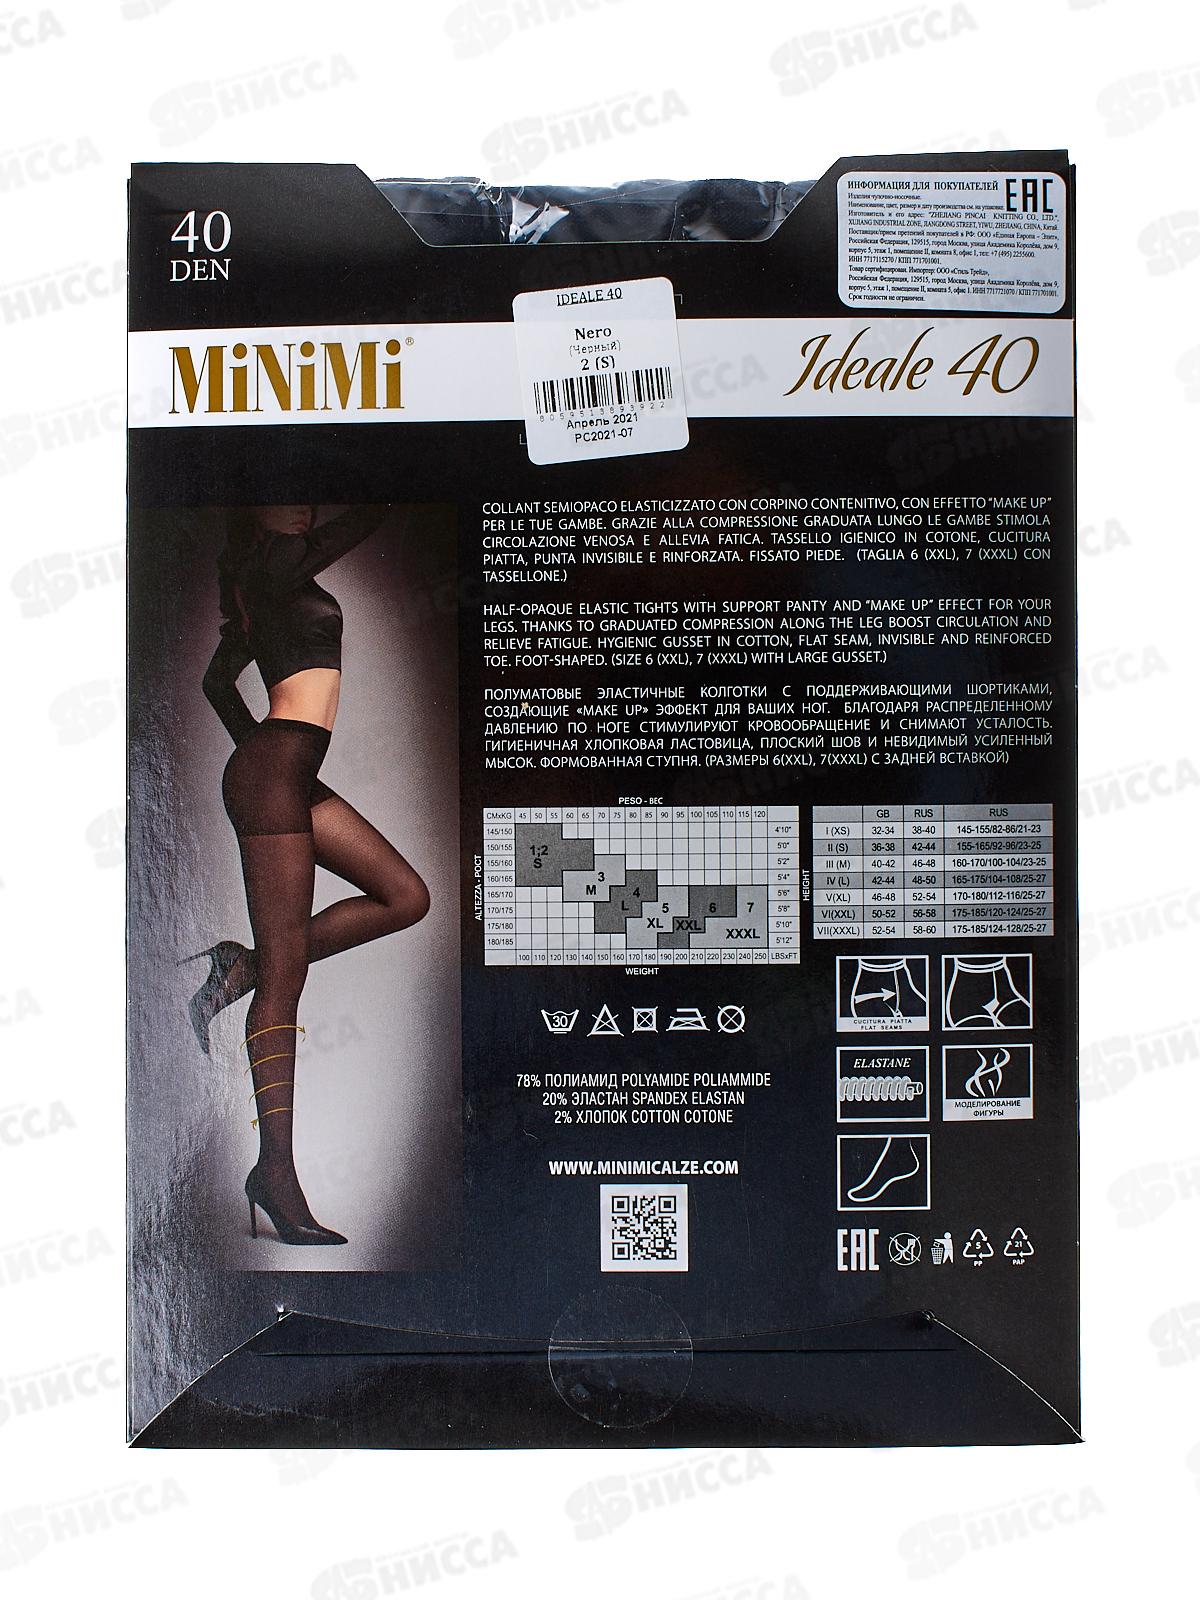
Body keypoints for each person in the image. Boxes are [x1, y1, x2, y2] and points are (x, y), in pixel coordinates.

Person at [187, 505, 429, 1245]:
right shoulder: (276, 562)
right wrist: (265, 767)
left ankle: (242, 967)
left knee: (405, 896)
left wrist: (268, 762)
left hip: (285, 774)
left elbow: (217, 684)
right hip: (275, 777)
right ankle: (276, 1175)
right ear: (259, 516)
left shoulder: (267, 581)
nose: (304, 509)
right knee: (287, 984)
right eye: (288, 501)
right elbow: (354, 525)